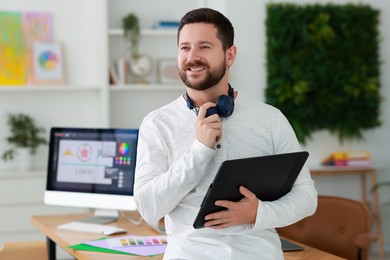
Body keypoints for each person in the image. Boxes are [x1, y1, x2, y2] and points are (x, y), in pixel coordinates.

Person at [134, 7, 317, 259]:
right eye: (185, 48)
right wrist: (200, 150)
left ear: (230, 55)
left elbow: (307, 197)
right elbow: (148, 207)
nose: (192, 56)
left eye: (204, 47)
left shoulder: (270, 119)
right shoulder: (157, 123)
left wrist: (257, 213)